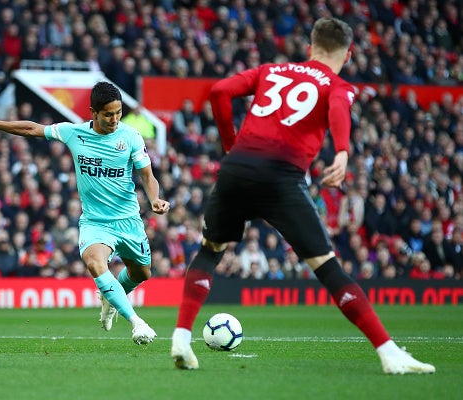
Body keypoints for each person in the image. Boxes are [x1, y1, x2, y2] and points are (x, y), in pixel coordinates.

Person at [170, 17, 435, 374]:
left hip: (236, 169)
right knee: (327, 267)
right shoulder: (338, 84)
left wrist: (231, 146)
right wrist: (342, 152)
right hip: (281, 177)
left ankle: (182, 338)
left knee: (210, 250)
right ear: (348, 54)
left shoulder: (271, 69)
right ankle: (389, 354)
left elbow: (219, 92)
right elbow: (339, 111)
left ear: (310, 48)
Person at [0, 81, 170, 345]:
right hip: (96, 223)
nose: (115, 119)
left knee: (142, 274)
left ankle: (110, 298)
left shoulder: (130, 136)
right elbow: (31, 129)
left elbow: (147, 175)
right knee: (96, 263)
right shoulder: (74, 133)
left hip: (128, 219)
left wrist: (155, 199)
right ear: (93, 112)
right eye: (108, 114)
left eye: (118, 112)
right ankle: (136, 322)